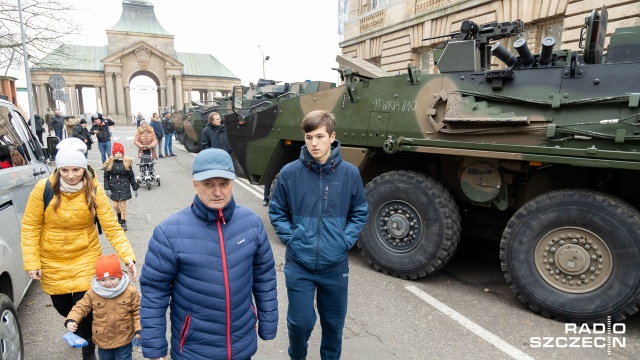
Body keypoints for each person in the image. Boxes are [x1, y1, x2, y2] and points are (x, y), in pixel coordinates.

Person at [139, 148, 278, 360]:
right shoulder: (168, 233)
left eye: (224, 183)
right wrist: (155, 348)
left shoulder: (251, 223)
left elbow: (264, 276)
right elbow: (154, 292)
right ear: (195, 184)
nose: (217, 192)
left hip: (241, 346)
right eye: (208, 184)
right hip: (195, 350)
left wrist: (268, 323)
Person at [20, 137, 137, 360]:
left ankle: (89, 346)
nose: (71, 175)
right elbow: (30, 226)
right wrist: (32, 262)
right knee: (63, 307)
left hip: (86, 254)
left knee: (87, 305)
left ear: (84, 168)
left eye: (76, 169)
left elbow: (111, 226)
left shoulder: (94, 190)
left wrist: (127, 256)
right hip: (52, 258)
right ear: (58, 169)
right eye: (65, 170)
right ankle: (83, 331)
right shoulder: (43, 189)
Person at [268, 110, 369, 360]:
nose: (314, 143)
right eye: (309, 136)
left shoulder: (349, 174)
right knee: (300, 323)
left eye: (320, 136)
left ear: (332, 137)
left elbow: (360, 211)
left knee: (334, 326)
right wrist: (292, 238)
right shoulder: (290, 173)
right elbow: (277, 209)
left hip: (334, 265)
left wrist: (344, 241)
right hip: (299, 264)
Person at [65, 254, 141, 360]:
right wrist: (72, 319)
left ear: (119, 276)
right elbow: (81, 306)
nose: (108, 283)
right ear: (97, 279)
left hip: (124, 336)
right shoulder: (93, 292)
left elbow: (137, 311)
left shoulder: (130, 291)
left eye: (112, 278)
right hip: (102, 338)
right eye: (103, 280)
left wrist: (139, 329)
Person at [104, 142, 139, 231]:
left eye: (120, 153)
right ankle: (119, 215)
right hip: (114, 186)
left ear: (122, 153)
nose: (118, 155)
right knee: (115, 205)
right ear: (113, 154)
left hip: (124, 186)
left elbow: (131, 177)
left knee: (123, 205)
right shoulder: (110, 163)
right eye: (116, 153)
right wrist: (107, 188)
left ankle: (123, 221)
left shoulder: (126, 163)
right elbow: (106, 177)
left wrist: (135, 188)